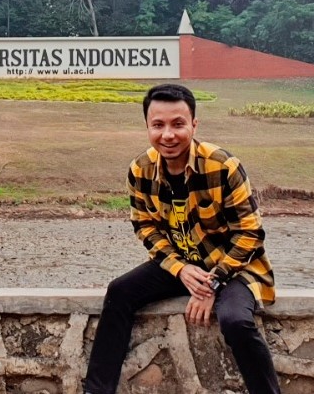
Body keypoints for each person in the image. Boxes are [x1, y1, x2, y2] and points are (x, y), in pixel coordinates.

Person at [84, 83, 280, 394]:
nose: (168, 135)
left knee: (235, 321)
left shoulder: (223, 166)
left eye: (178, 124)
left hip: (233, 267)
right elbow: (145, 227)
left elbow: (250, 234)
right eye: (158, 125)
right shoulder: (140, 170)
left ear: (194, 125)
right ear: (147, 127)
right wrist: (181, 269)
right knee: (119, 293)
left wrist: (212, 284)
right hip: (182, 265)